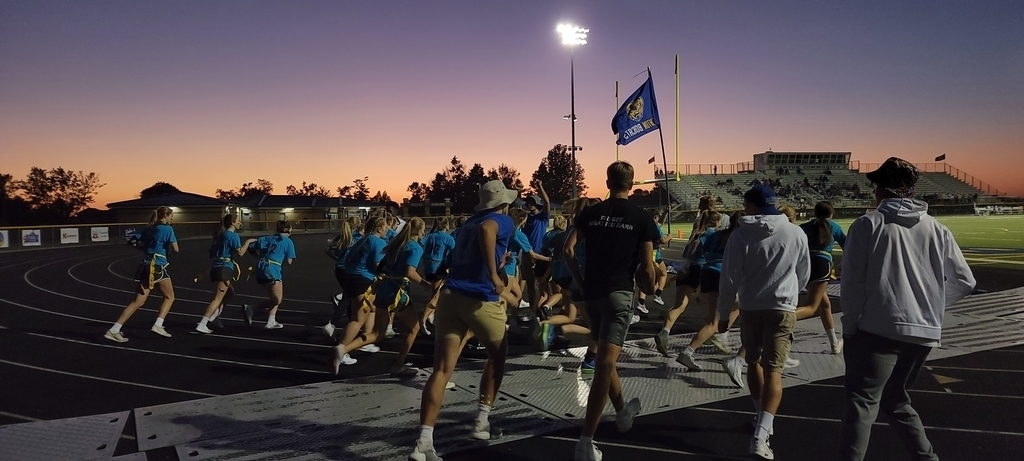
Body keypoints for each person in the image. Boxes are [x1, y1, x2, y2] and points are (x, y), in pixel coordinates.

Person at [838, 157, 975, 461]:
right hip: (922, 332)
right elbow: (965, 281)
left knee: (862, 403)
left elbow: (852, 283)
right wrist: (930, 307)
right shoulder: (937, 228)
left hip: (876, 329)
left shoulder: (868, 224)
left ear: (880, 188)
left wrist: (850, 326)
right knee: (896, 399)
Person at [409, 180, 518, 461]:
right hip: (480, 298)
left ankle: (424, 441)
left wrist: (496, 263)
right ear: (503, 203)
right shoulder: (501, 220)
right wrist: (494, 275)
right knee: (497, 357)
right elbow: (488, 230)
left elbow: (467, 251)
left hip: (451, 296)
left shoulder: (468, 223)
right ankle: (482, 420)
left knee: (441, 369)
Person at [566, 162, 658, 461]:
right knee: (605, 365)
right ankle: (586, 440)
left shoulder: (591, 212)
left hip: (593, 293)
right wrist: (651, 288)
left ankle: (622, 412)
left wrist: (581, 282)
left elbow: (567, 250)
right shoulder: (641, 217)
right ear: (631, 184)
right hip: (618, 293)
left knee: (607, 356)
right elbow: (646, 266)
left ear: (608, 182)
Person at [717, 185, 810, 460]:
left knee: (753, 363)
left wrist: (723, 314)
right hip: (782, 307)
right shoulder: (795, 232)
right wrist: (790, 293)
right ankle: (762, 431)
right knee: (774, 371)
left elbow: (729, 278)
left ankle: (761, 421)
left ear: (752, 206)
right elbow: (804, 273)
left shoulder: (740, 235)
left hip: (751, 307)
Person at [332, 218, 431, 377]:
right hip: (397, 293)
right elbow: (409, 272)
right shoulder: (414, 247)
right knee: (414, 328)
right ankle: (399, 365)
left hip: (383, 289)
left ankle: (343, 349)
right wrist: (426, 285)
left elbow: (382, 266)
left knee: (378, 333)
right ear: (420, 231)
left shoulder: (395, 244)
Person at [104, 206, 179, 342]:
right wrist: (167, 254)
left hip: (145, 265)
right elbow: (176, 249)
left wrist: (145, 250)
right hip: (157, 266)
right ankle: (158, 325)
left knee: (138, 301)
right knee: (170, 297)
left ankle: (114, 329)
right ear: (165, 216)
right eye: (171, 216)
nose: (172, 218)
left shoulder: (150, 228)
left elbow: (132, 241)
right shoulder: (168, 229)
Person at [333, 216, 389, 366]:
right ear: (379, 228)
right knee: (357, 319)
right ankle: (342, 350)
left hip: (351, 277)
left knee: (372, 309)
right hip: (363, 280)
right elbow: (378, 264)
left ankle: (365, 341)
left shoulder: (361, 240)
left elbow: (347, 259)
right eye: (385, 227)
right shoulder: (378, 242)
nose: (387, 229)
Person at [793, 201, 846, 354]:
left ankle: (834, 343)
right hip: (822, 265)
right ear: (831, 213)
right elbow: (848, 245)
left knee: (825, 304)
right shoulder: (834, 227)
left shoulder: (804, 227)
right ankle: (779, 319)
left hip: (804, 265)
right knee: (811, 306)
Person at [196, 214, 256, 334]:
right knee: (217, 298)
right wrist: (248, 242)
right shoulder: (233, 236)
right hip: (224, 268)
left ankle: (215, 315)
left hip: (217, 266)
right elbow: (240, 253)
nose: (240, 223)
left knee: (230, 292)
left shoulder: (220, 235)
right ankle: (203, 323)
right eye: (238, 221)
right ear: (232, 223)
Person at [242, 221, 296, 329]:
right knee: (277, 299)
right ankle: (252, 309)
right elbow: (289, 261)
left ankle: (271, 321)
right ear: (287, 230)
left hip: (261, 268)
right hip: (272, 269)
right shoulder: (288, 242)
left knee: (273, 297)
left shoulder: (266, 238)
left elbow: (251, 248)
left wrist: (260, 257)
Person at [521, 181, 551, 310]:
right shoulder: (526, 218)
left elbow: (547, 203)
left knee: (542, 284)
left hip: (540, 253)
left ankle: (543, 309)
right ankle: (533, 310)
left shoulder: (542, 217)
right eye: (528, 202)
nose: (529, 205)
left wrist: (540, 187)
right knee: (530, 284)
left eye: (532, 202)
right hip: (528, 254)